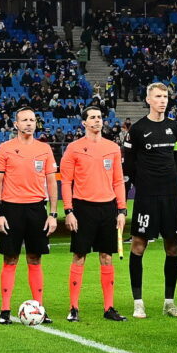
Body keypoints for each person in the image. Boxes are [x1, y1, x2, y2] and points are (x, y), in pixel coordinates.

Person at [124, 81, 177, 319]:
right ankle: (138, 302)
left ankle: (169, 302)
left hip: (171, 196)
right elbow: (129, 165)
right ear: (148, 100)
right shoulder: (138, 129)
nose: (163, 100)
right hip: (147, 197)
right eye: (158, 96)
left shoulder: (175, 128)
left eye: (165, 97)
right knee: (139, 245)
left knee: (172, 247)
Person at [0, 106, 59, 323]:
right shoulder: (5, 149)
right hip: (11, 209)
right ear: (16, 124)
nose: (29, 123)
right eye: (24, 120)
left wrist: (53, 214)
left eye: (32, 119)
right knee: (10, 259)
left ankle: (39, 307)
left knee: (35, 258)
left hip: (37, 209)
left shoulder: (44, 149)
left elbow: (51, 183)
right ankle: (4, 310)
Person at [59, 107, 126, 322]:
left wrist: (122, 210)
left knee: (106, 257)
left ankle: (109, 308)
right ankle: (73, 308)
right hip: (82, 208)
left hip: (107, 208)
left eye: (99, 117)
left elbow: (118, 180)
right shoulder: (74, 148)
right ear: (84, 123)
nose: (97, 121)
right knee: (80, 256)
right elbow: (66, 181)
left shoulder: (113, 148)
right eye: (92, 117)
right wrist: (69, 211)